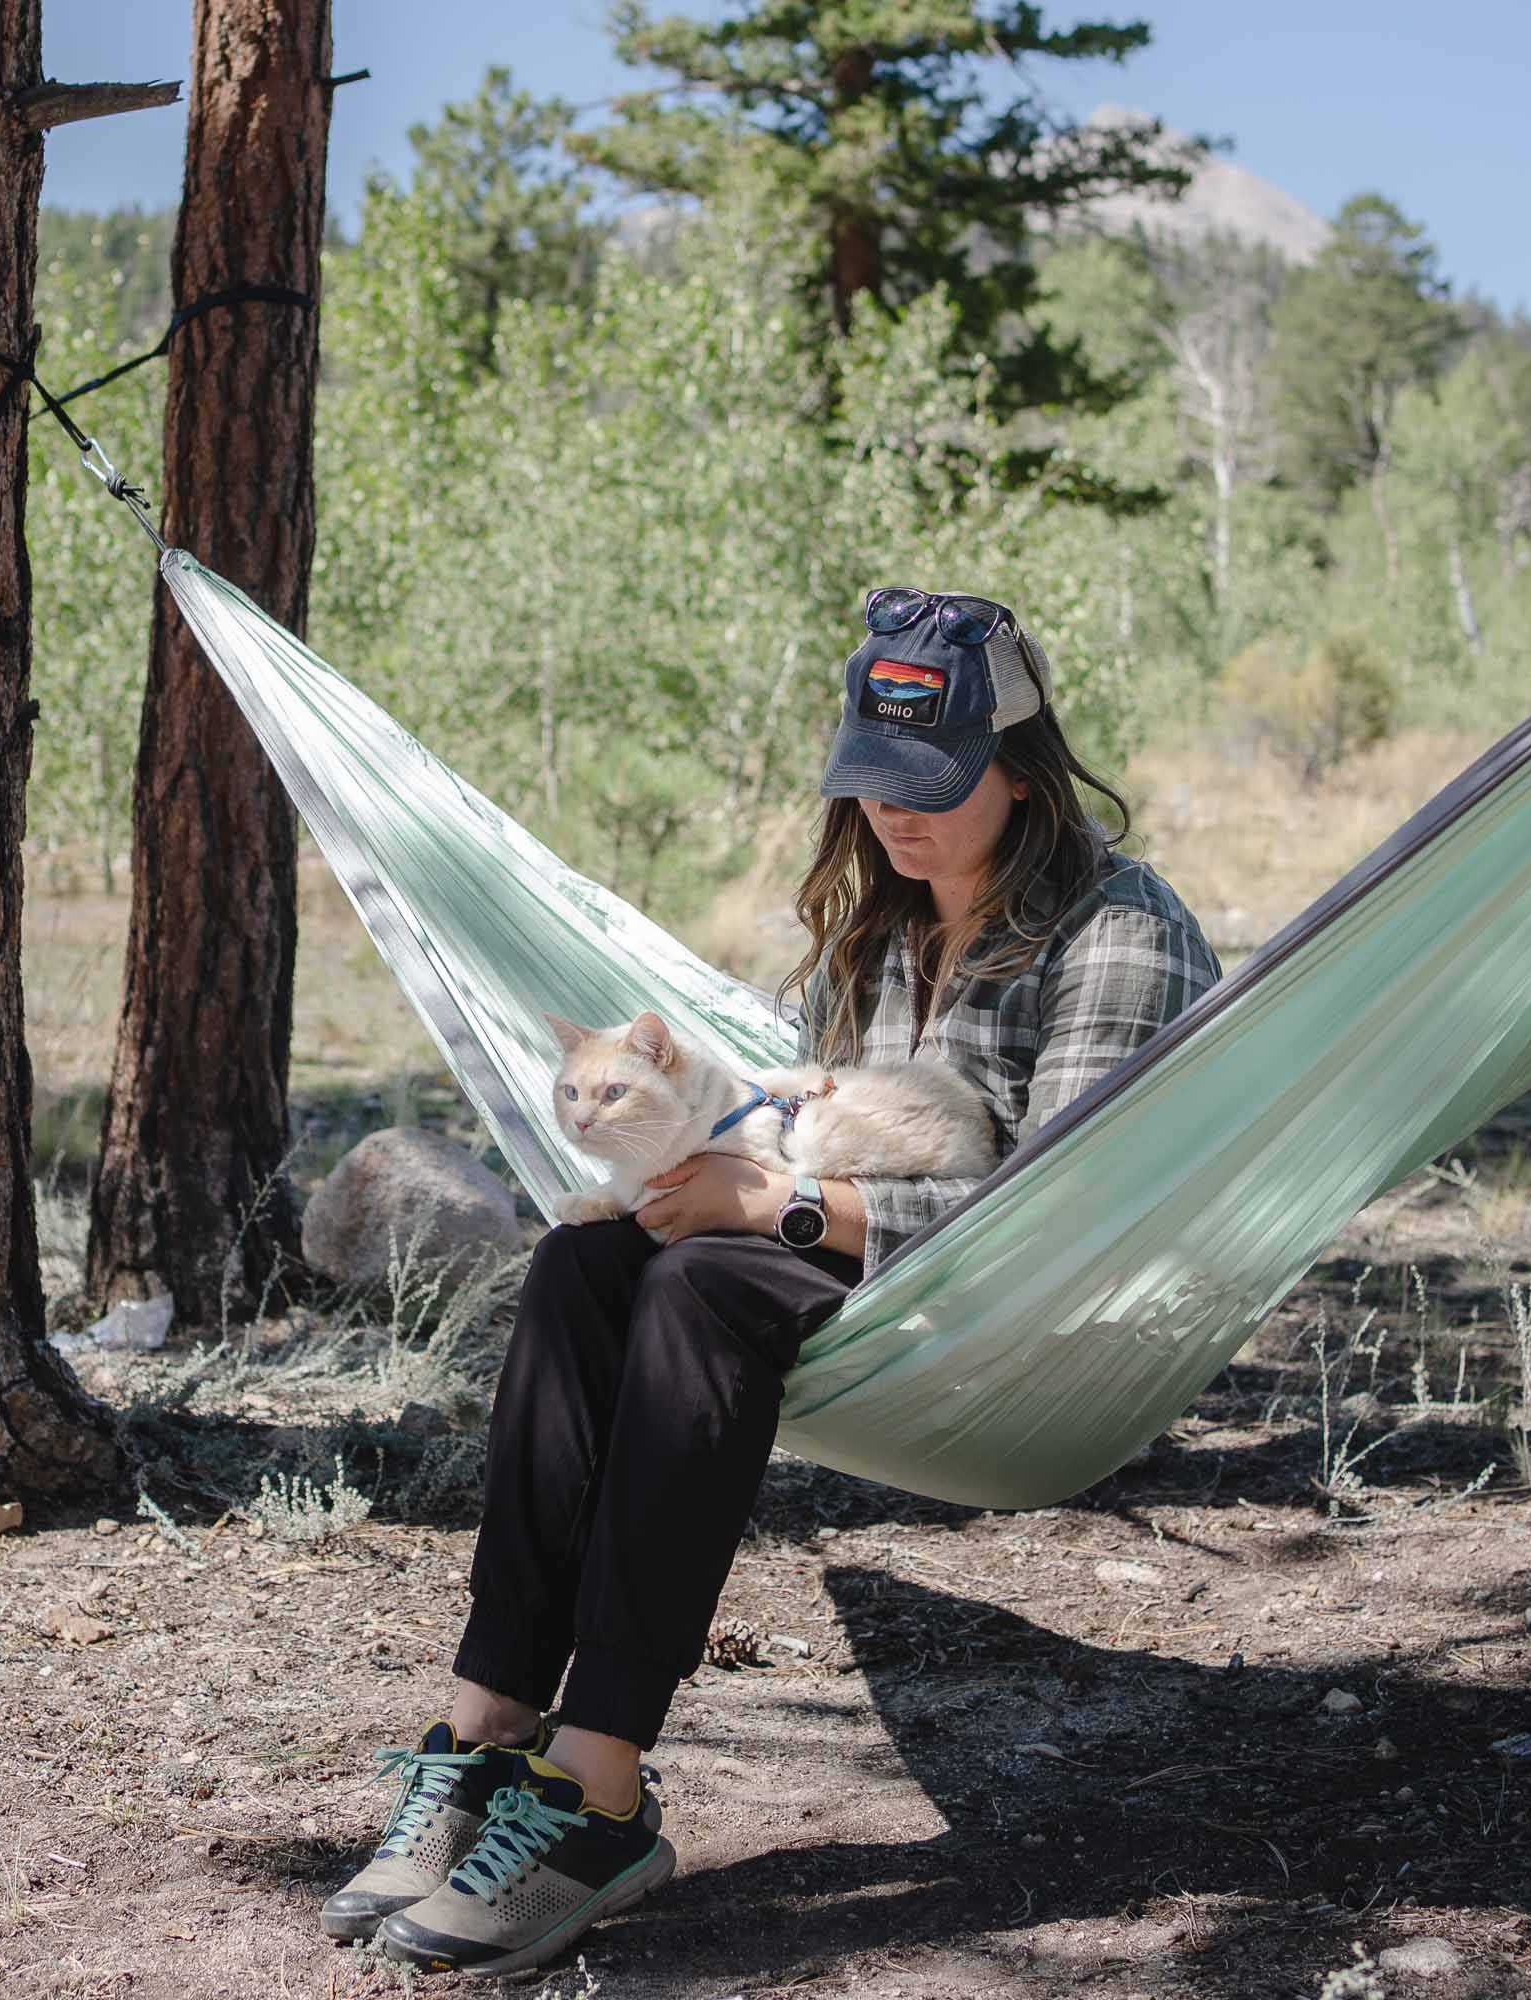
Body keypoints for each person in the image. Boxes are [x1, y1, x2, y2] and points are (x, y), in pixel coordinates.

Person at [325, 587, 1222, 1976]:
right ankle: (489, 1727)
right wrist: (735, 1180)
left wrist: (792, 1206)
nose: (896, 817)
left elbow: (1064, 1214)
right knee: (579, 1264)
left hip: (1008, 1308)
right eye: (872, 787)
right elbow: (793, 1116)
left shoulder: (1118, 929)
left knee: (699, 1290)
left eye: (933, 784)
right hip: (838, 1257)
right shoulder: (877, 921)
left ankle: (601, 1784)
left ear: (1024, 765)